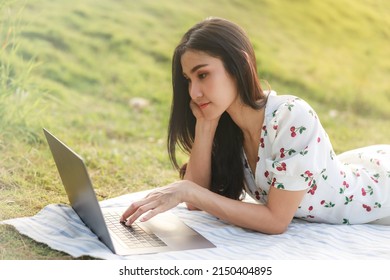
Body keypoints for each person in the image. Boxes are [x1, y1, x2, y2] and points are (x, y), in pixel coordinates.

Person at [120, 17, 390, 234]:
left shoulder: (290, 117)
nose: (194, 92)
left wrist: (187, 190)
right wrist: (206, 124)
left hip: (380, 200)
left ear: (239, 65)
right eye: (189, 80)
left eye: (203, 75)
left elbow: (275, 221)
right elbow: (194, 201)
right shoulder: (229, 128)